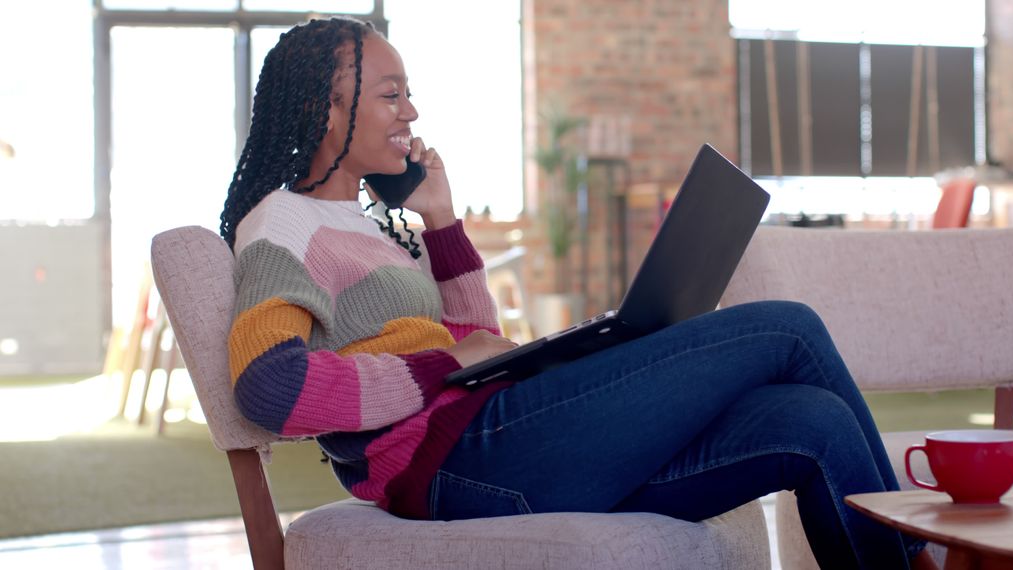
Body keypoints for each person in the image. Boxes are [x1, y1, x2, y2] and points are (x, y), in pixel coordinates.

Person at [220, 16, 937, 570]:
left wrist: (438, 218)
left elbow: (471, 340)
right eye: (391, 94)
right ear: (325, 109)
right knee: (787, 329)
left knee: (809, 422)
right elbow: (272, 387)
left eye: (409, 93)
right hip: (459, 461)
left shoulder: (367, 223)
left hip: (497, 436)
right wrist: (440, 366)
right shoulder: (282, 222)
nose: (411, 111)